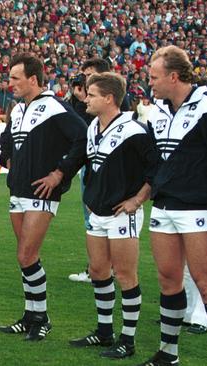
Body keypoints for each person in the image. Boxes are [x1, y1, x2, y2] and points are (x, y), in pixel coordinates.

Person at [140, 45, 207, 366]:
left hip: (197, 207)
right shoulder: (156, 112)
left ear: (174, 76)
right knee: (168, 281)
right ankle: (168, 354)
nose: (150, 83)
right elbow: (152, 161)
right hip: (163, 207)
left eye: (154, 77)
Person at [0, 54, 86, 341]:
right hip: (18, 190)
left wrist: (60, 173)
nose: (9, 83)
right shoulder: (20, 108)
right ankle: (30, 315)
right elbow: (7, 139)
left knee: (26, 254)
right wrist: (7, 158)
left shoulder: (54, 107)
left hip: (41, 192)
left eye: (15, 78)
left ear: (32, 79)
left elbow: (83, 138)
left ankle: (42, 318)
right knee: (25, 257)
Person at [68, 72, 157, 359]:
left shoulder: (135, 130)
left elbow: (157, 171)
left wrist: (137, 199)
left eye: (92, 94)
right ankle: (104, 332)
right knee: (97, 270)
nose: (86, 99)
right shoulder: (93, 126)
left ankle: (127, 340)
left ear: (109, 98)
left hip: (122, 213)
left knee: (125, 275)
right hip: (98, 211)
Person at [68, 58, 131, 283]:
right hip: (91, 166)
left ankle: (105, 269)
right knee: (92, 217)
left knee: (103, 219)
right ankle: (99, 268)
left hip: (110, 171)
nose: (86, 80)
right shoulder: (89, 102)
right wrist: (79, 100)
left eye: (90, 75)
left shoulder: (118, 105)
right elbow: (82, 130)